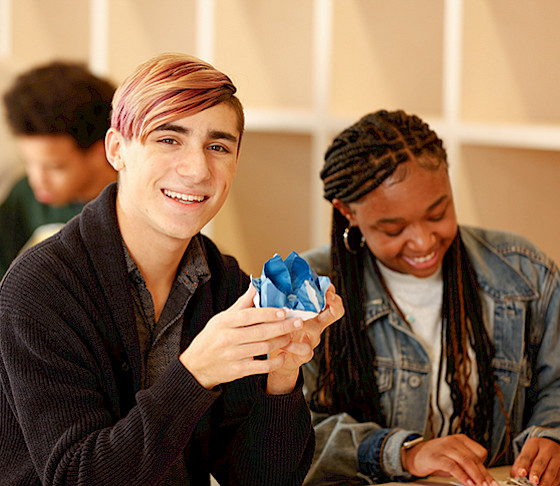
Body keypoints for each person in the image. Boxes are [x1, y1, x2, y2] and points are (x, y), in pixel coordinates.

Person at [0, 52, 344, 485]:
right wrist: (196, 374)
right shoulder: (41, 288)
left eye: (218, 146)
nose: (197, 169)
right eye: (168, 139)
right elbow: (75, 477)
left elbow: (263, 480)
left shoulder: (226, 284)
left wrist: (281, 376)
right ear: (116, 150)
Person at [301, 110, 560, 486]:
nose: (423, 242)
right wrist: (403, 452)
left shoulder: (525, 273)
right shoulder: (309, 293)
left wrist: (552, 432)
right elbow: (285, 435)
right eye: (393, 228)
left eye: (438, 213)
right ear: (347, 212)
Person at [0, 61, 117, 279]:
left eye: (54, 167)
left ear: (101, 151)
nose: (37, 180)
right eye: (28, 163)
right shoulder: (23, 196)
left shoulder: (128, 208)